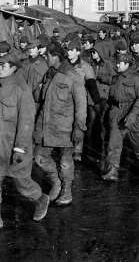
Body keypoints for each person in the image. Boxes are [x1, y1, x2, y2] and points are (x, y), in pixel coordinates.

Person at [0, 53, 49, 232]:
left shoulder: (21, 90)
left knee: (22, 182)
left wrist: (20, 148)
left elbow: (26, 121)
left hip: (13, 146)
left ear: (14, 67)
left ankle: (41, 199)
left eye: (3, 65)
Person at [34, 42, 87, 205]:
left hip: (66, 127)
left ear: (55, 56)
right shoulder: (48, 74)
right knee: (39, 157)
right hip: (47, 125)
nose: (45, 58)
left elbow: (81, 104)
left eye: (47, 56)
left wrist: (79, 127)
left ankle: (66, 190)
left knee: (65, 161)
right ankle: (56, 183)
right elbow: (40, 99)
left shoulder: (73, 76)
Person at [102, 53, 139, 181]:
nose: (117, 65)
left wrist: (132, 114)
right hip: (117, 112)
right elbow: (111, 97)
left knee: (136, 141)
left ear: (127, 64)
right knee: (113, 142)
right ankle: (112, 171)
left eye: (120, 63)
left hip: (133, 112)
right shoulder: (116, 78)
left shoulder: (137, 78)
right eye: (116, 62)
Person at [66, 39, 97, 162]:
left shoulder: (85, 67)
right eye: (67, 50)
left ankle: (78, 150)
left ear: (78, 52)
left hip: (80, 99)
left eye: (71, 50)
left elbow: (92, 85)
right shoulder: (64, 65)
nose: (68, 53)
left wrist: (96, 101)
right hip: (66, 98)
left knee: (79, 123)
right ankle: (66, 147)